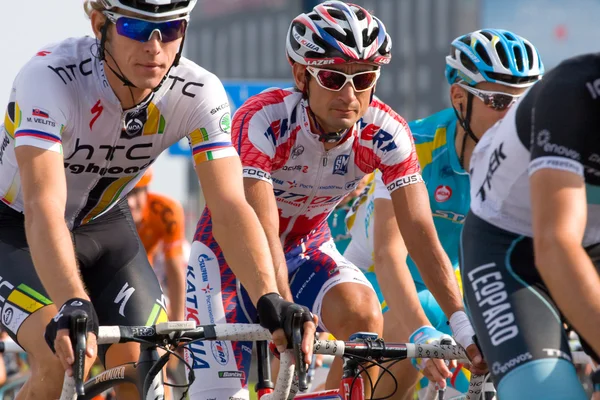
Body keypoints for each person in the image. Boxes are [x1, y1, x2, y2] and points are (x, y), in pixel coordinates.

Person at [0, 0, 316, 399]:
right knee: (58, 358)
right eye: (136, 28)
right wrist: (71, 301)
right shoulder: (48, 78)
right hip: (15, 225)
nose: (154, 47)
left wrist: (269, 296)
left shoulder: (198, 91)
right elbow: (44, 206)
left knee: (146, 362)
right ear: (101, 25)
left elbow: (230, 206)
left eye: (170, 31)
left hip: (104, 222)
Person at [186, 2, 483, 400]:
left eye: (363, 78)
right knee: (220, 394)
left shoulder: (387, 132)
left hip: (308, 249)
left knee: (364, 313)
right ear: (300, 74)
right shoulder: (264, 119)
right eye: (332, 77)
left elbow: (419, 231)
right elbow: (261, 225)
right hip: (231, 253)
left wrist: (462, 324)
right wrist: (285, 307)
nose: (349, 94)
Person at [344, 29, 544, 398]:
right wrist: (422, 332)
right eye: (500, 101)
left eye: (526, 103)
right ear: (459, 97)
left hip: (449, 294)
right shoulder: (413, 145)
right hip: (378, 284)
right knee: (389, 378)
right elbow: (389, 257)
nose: (516, 117)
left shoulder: (529, 161)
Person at [461, 45, 600, 399]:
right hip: (508, 246)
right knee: (549, 394)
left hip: (592, 244)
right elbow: (555, 248)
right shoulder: (573, 89)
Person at [127, 167, 187, 322]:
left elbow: (174, 268)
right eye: (124, 195)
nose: (130, 203)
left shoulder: (167, 211)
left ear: (147, 191)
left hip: (148, 266)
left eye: (135, 192)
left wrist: (178, 322)